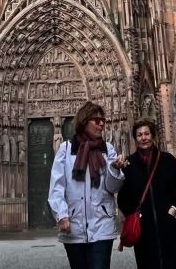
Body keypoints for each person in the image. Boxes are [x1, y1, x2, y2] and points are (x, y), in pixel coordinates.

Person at [48, 100, 127, 269]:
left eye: (103, 121)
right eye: (96, 121)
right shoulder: (66, 149)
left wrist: (114, 169)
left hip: (101, 226)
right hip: (74, 226)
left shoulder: (107, 149)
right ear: (84, 122)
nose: (101, 125)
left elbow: (113, 188)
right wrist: (62, 215)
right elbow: (57, 186)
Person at [118, 118, 176, 269]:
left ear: (153, 136)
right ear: (135, 139)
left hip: (168, 227)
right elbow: (122, 198)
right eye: (139, 135)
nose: (144, 138)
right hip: (143, 231)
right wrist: (134, 215)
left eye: (147, 134)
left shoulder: (167, 160)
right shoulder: (129, 164)